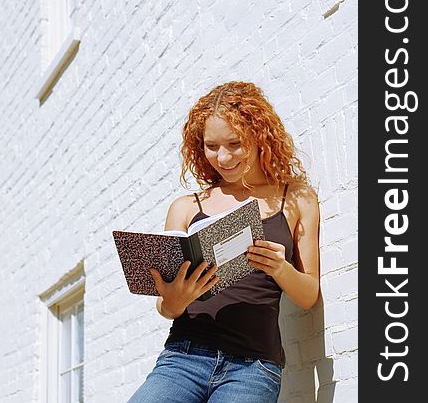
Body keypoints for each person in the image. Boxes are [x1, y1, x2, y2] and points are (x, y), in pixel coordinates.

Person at [128, 81, 320, 403]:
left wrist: (280, 268)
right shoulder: (186, 207)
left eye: (235, 143)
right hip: (183, 359)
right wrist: (174, 301)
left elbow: (309, 295)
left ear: (260, 137)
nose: (223, 157)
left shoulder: (296, 199)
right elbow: (166, 308)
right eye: (211, 146)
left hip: (253, 368)